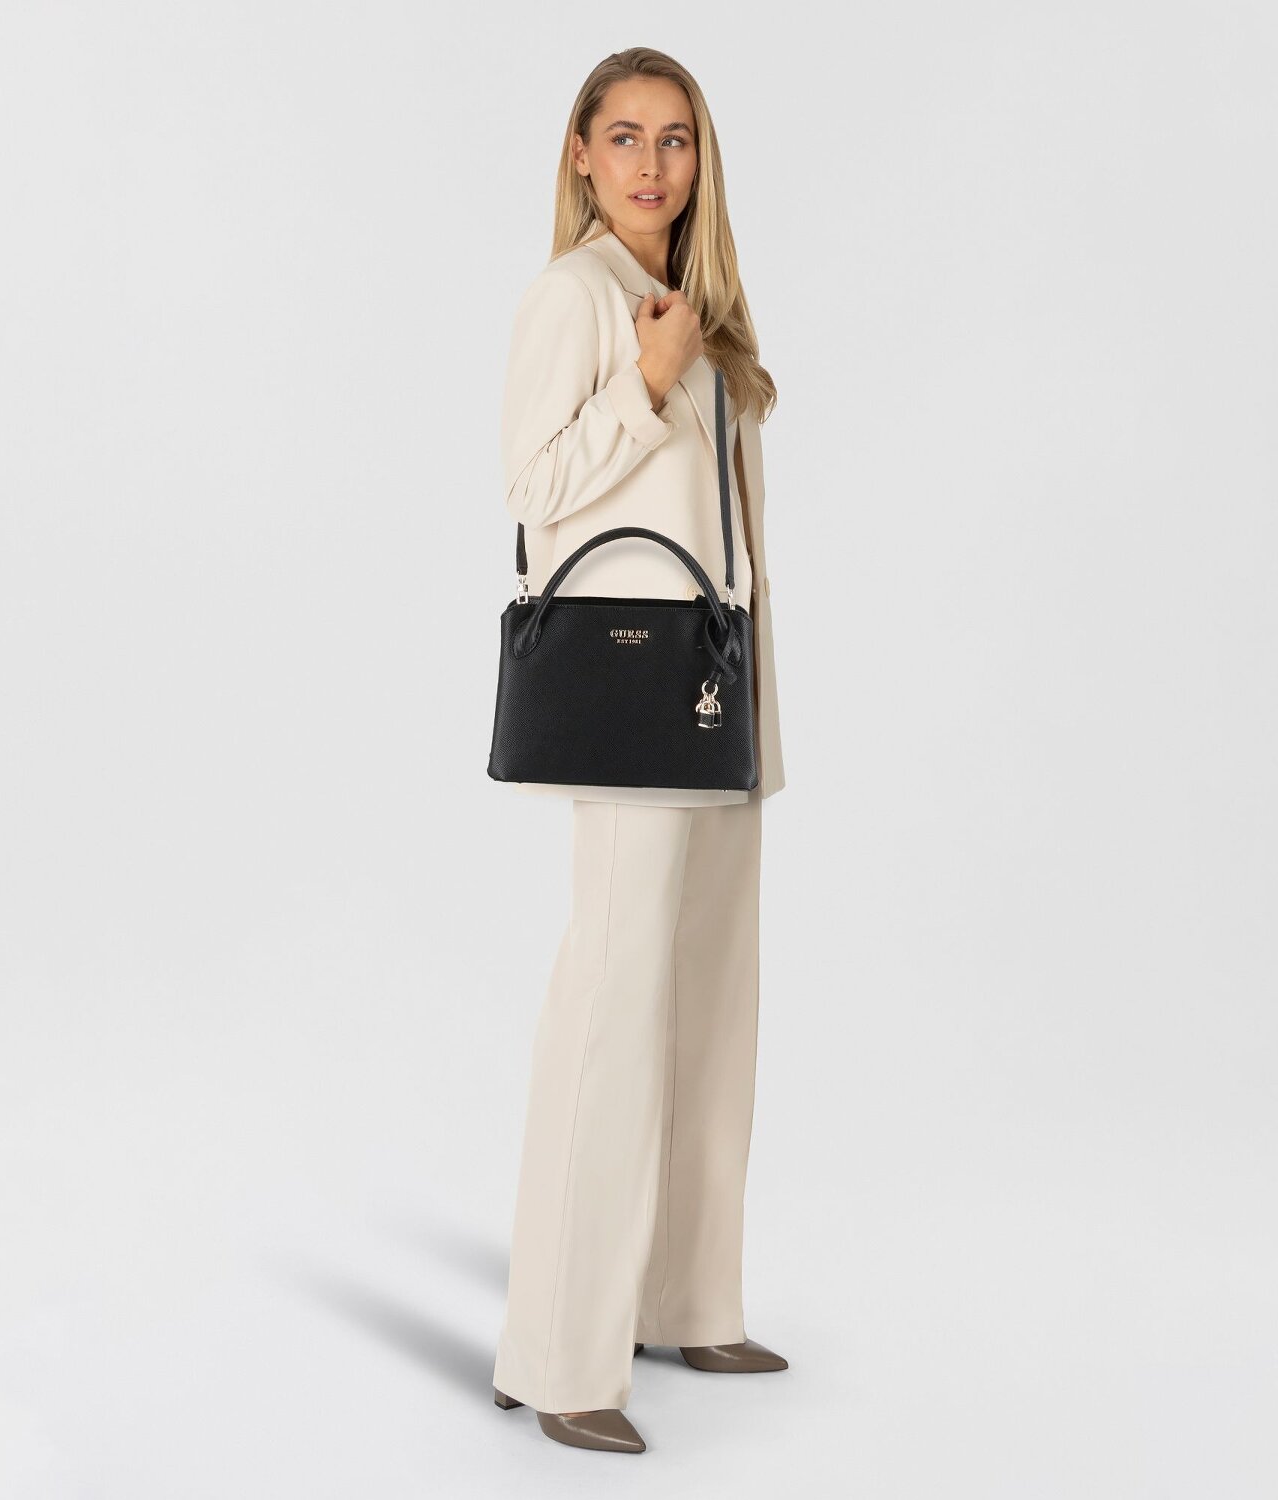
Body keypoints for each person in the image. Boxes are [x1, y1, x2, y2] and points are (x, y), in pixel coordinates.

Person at [490, 47, 790, 1455]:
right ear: (581, 154)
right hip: (629, 683)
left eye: (675, 140)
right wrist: (646, 386)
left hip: (715, 685)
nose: (653, 165)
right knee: (612, 1005)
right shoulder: (577, 298)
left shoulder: (703, 306)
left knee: (711, 998)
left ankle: (685, 1295)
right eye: (625, 138)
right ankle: (560, 1352)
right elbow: (533, 485)